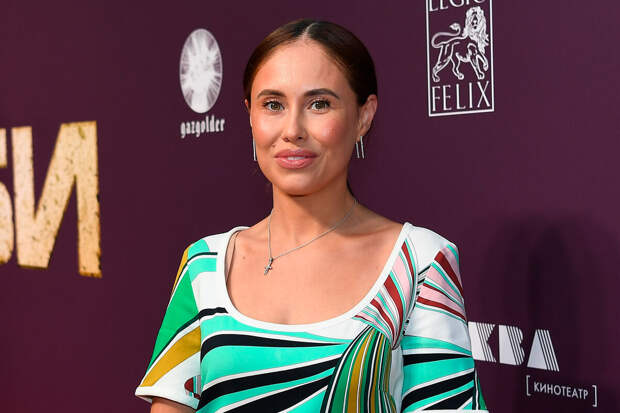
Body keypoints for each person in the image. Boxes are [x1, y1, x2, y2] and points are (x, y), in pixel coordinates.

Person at [135, 18, 488, 413]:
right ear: (250, 115)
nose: (293, 130)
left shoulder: (419, 262)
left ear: (364, 116)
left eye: (319, 104)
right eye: (273, 105)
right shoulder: (205, 265)